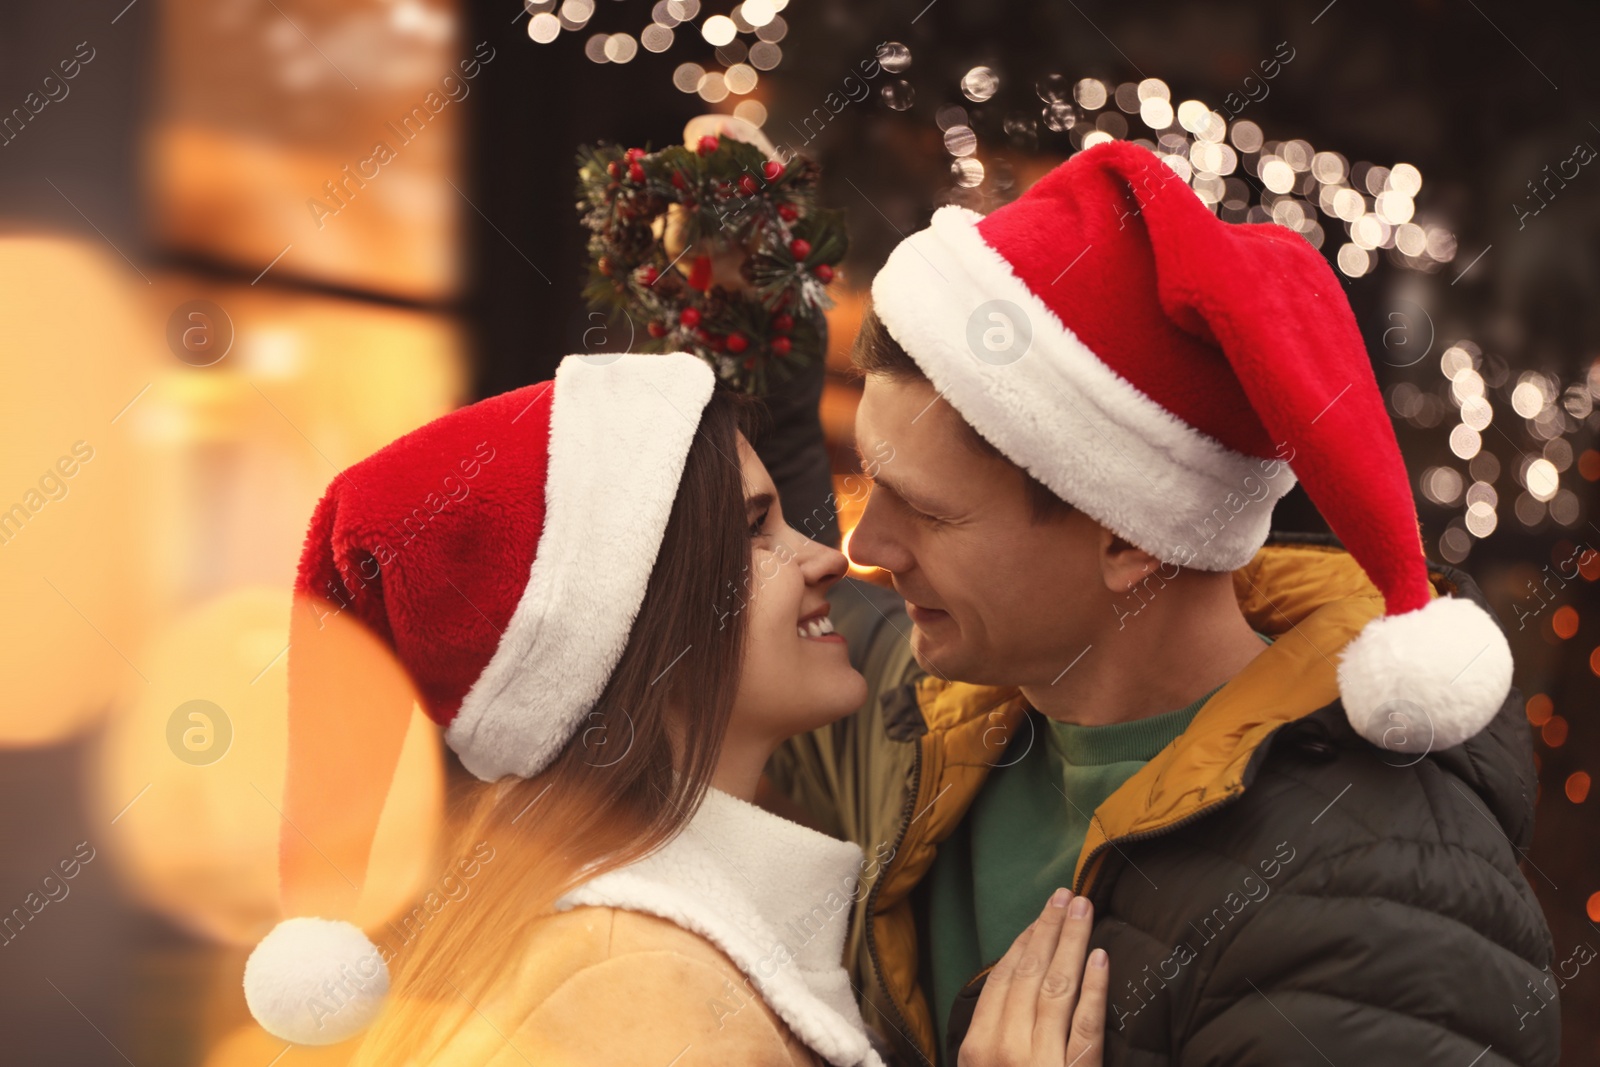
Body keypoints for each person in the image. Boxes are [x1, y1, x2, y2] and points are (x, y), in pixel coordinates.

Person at [766, 142, 1559, 1066]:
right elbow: (780, 624)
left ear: (1127, 538)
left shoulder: (1371, 916)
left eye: (931, 512)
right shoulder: (944, 720)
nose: (865, 548)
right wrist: (745, 318)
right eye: (873, 482)